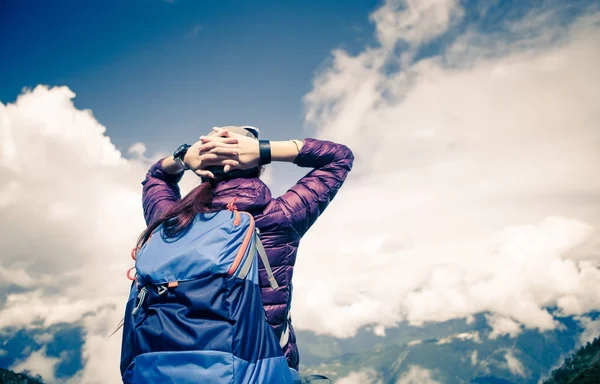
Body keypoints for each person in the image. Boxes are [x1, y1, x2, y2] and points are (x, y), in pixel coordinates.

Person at [139, 125, 354, 375]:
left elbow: (156, 177)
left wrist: (183, 159)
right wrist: (265, 150)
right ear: (257, 165)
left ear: (202, 167)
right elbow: (339, 157)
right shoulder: (279, 217)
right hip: (258, 373)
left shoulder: (169, 223)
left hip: (166, 373)